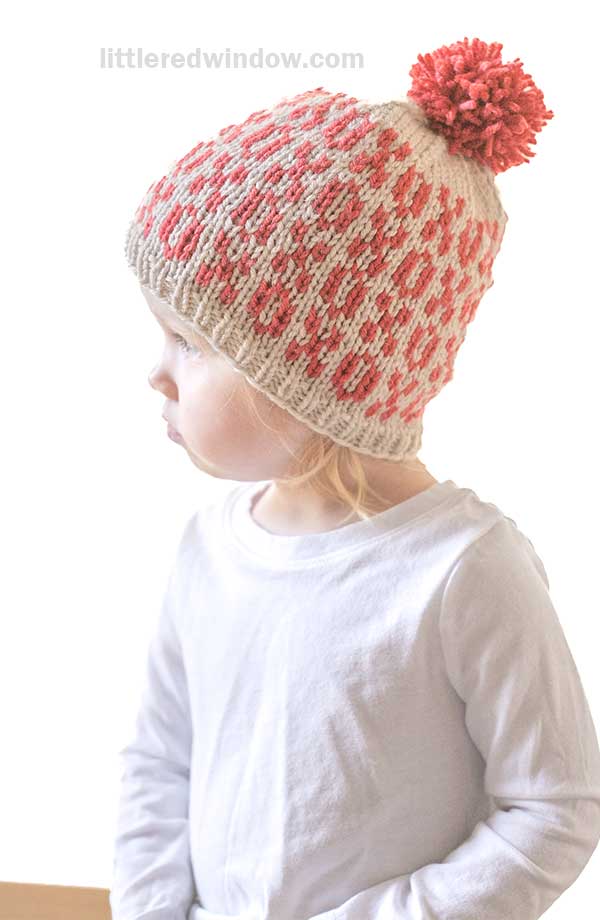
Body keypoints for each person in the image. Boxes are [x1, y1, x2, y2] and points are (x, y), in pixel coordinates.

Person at [109, 35, 600, 920]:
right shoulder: (209, 551)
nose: (156, 370)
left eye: (192, 340)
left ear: (313, 378)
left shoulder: (464, 568)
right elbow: (158, 760)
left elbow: (553, 809)